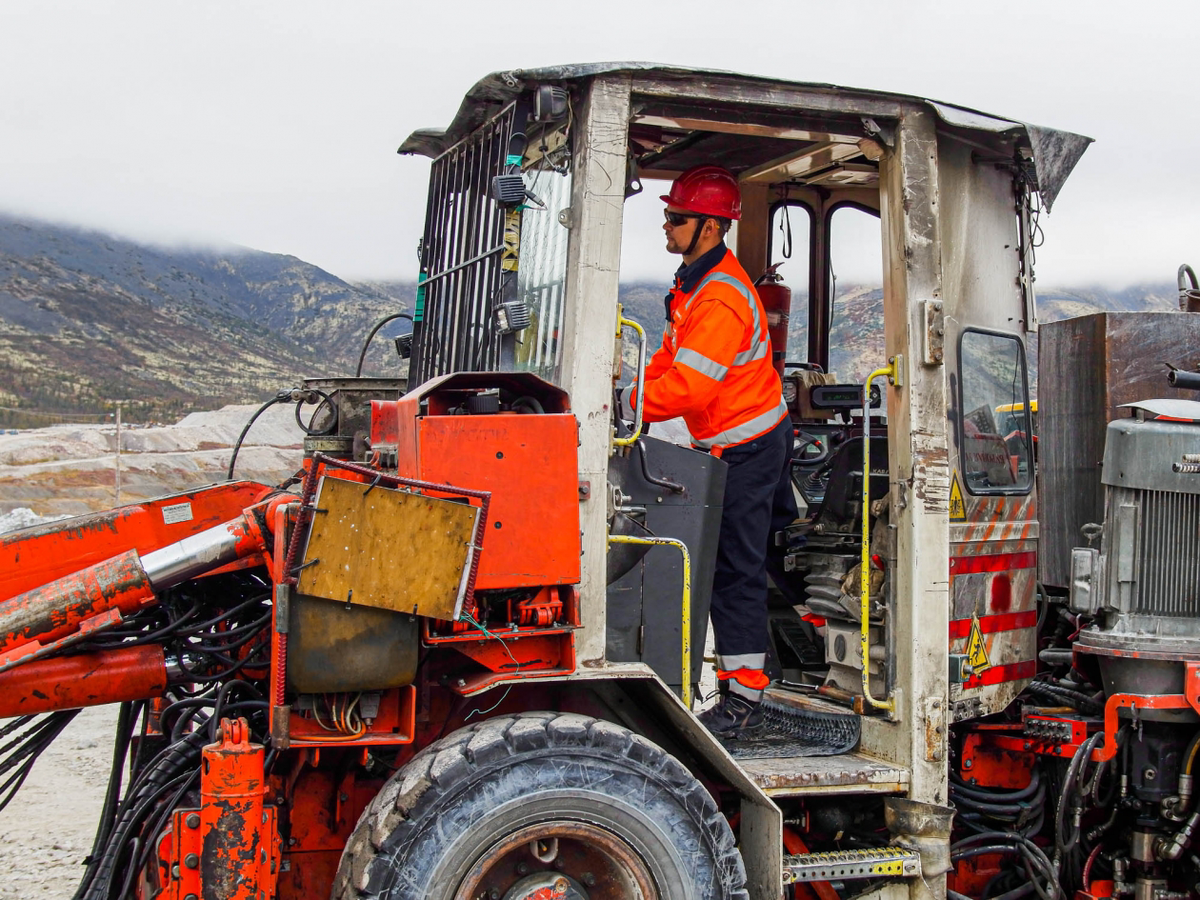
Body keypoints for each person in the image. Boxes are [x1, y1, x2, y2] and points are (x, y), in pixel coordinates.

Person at [619, 165, 796, 737]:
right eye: (668, 215)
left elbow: (691, 386)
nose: (666, 226)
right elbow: (670, 363)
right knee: (724, 566)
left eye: (676, 218)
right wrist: (627, 392)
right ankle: (732, 685)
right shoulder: (693, 282)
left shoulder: (720, 297)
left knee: (733, 572)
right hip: (727, 445)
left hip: (750, 446)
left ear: (711, 227)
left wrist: (631, 404)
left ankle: (745, 699)